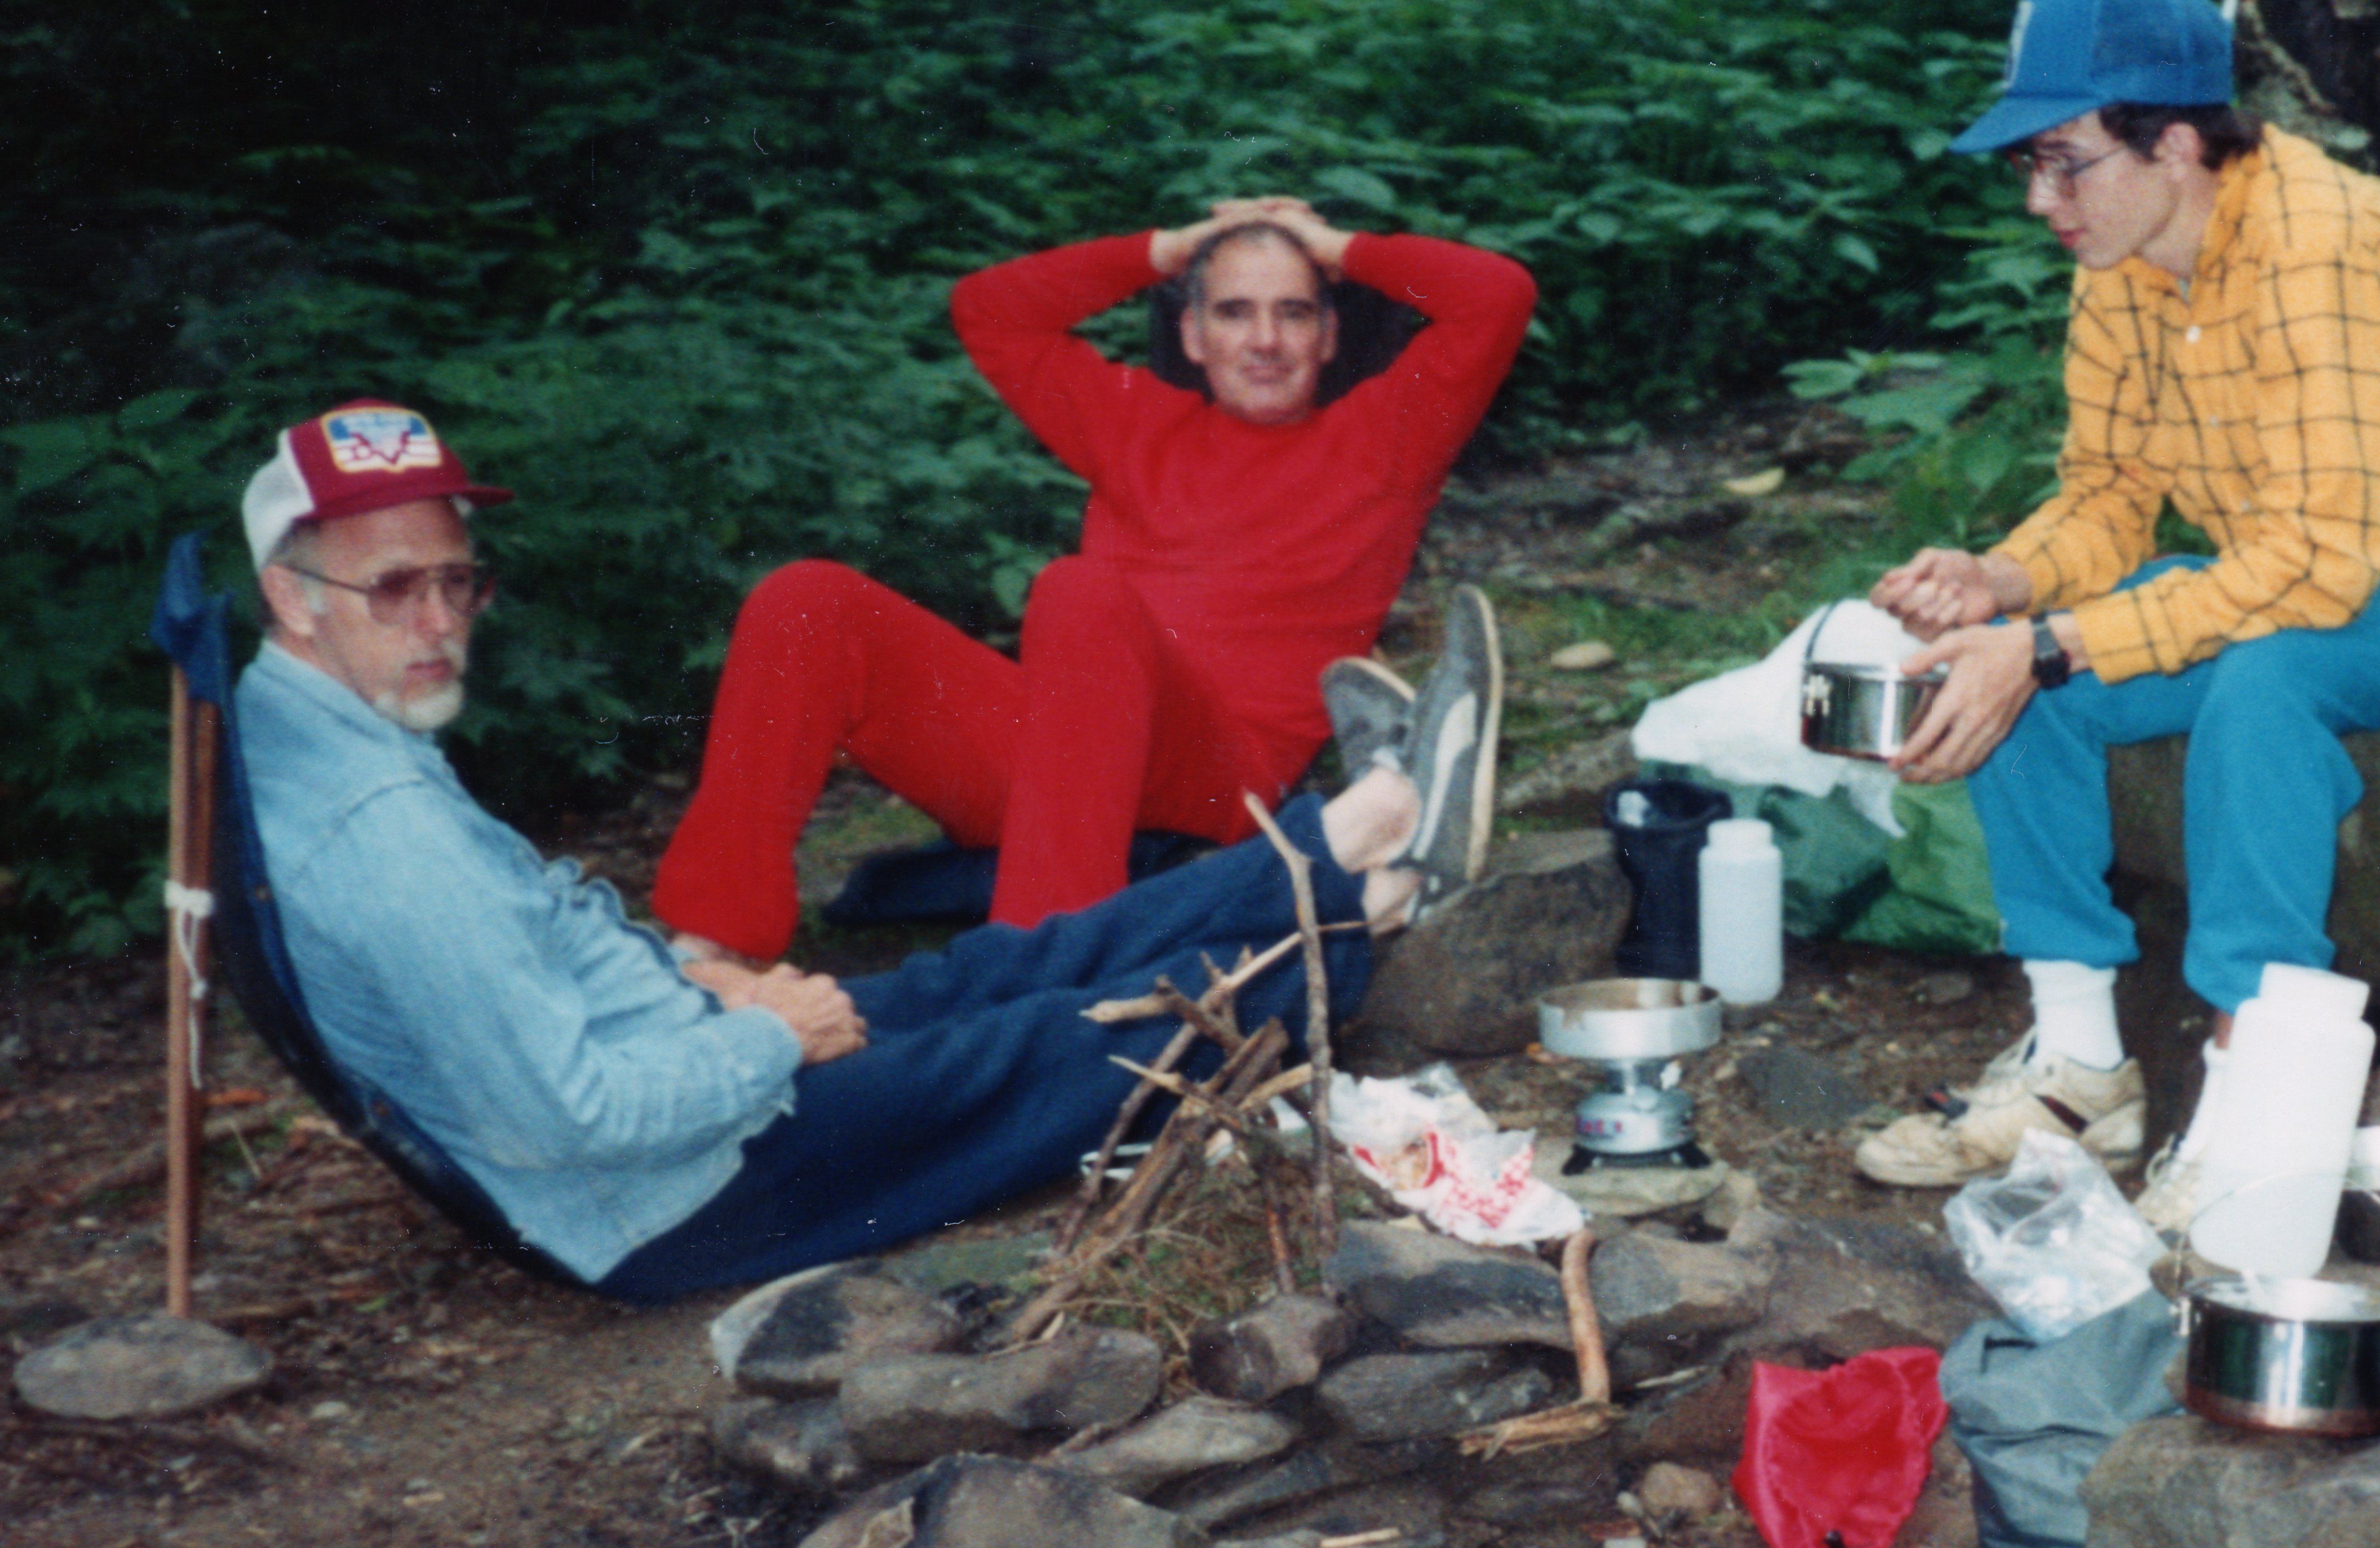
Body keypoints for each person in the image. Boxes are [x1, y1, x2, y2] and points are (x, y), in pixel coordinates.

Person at [233, 401, 1485, 1302]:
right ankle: (1375, 899)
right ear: (291, 597)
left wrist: (701, 989)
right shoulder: (380, 834)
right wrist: (771, 1038)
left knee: (981, 976)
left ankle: (1353, 832)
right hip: (685, 1192)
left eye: (458, 582)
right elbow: (571, 1123)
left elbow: (537, 981)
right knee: (1040, 1044)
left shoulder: (325, 738)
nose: (440, 621)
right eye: (395, 589)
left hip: (683, 1074)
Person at [1849, 0, 2380, 1219]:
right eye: (2027, 166)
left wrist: (2056, 642)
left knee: (2266, 677)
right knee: (2021, 665)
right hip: (2347, 566)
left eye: (2065, 162)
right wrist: (1998, 581)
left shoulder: (2322, 249)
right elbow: (2111, 496)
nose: (2040, 199)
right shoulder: (2123, 261)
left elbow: (2313, 574)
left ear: (2174, 144)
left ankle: (2256, 1101)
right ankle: (2080, 1065)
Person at [646, 194, 1534, 959]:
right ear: (1190, 333)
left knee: (1082, 594)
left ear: (1330, 334)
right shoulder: (1137, 423)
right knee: (808, 598)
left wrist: (1332, 244)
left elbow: (1497, 295)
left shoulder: (1385, 441)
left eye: (1294, 312)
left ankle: (1038, 959)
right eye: (1233, 312)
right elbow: (989, 309)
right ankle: (713, 943)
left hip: (1215, 779)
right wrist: (1170, 249)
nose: (1265, 340)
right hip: (1064, 760)